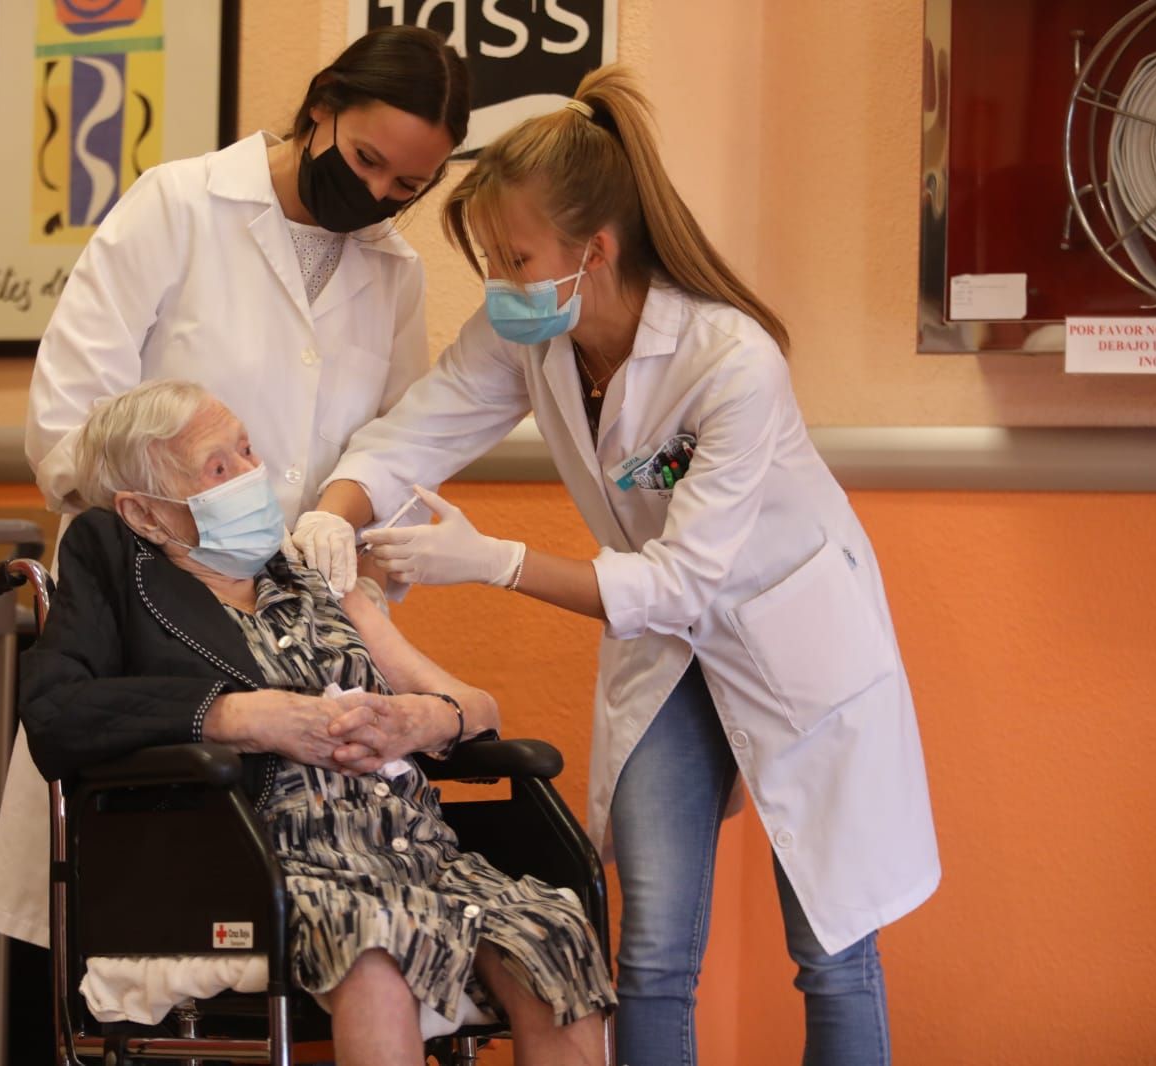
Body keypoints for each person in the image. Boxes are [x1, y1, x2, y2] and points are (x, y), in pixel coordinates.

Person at [301, 66, 941, 1066]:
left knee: (832, 948)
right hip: (665, 654)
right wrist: (328, 520)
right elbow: (406, 440)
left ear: (591, 252)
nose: (499, 286)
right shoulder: (533, 337)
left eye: (513, 258)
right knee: (646, 955)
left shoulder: (730, 362)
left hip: (793, 646)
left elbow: (683, 580)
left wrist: (496, 561)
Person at [0, 26, 471, 948]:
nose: (374, 196)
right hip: (158, 605)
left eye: (407, 186)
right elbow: (67, 421)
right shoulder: (178, 206)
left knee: (337, 914)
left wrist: (352, 534)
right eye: (365, 160)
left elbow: (393, 450)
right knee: (154, 924)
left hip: (308, 624)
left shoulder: (393, 272)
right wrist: (177, 537)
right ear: (321, 105)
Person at [21, 379, 615, 1066]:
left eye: (247, 452)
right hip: (261, 864)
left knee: (555, 932)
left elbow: (477, 712)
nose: (252, 475)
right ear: (146, 513)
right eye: (220, 468)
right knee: (375, 939)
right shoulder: (123, 574)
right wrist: (237, 715)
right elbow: (55, 711)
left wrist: (422, 720)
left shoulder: (310, 576)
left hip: (414, 855)